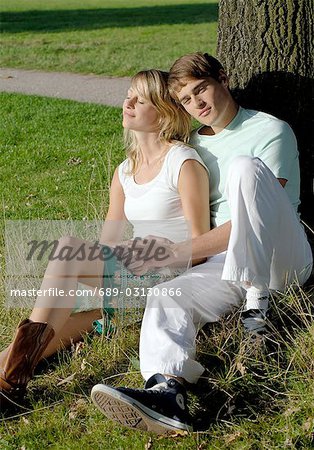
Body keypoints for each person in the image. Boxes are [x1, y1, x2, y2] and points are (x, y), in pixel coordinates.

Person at [91, 53, 313, 434]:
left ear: (223, 79)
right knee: (167, 295)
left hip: (283, 254)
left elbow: (256, 218)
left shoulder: (271, 130)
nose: (197, 104)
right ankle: (167, 393)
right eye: (186, 100)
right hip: (226, 262)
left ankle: (257, 312)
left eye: (201, 90)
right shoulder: (193, 145)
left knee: (245, 166)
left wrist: (177, 252)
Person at [0, 69, 210, 411]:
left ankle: (10, 387)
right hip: (131, 277)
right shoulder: (125, 170)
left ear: (164, 111)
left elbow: (201, 246)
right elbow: (107, 244)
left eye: (140, 100)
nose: (127, 103)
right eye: (128, 95)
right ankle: (10, 384)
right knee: (39, 337)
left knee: (67, 250)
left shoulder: (182, 163)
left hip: (169, 275)